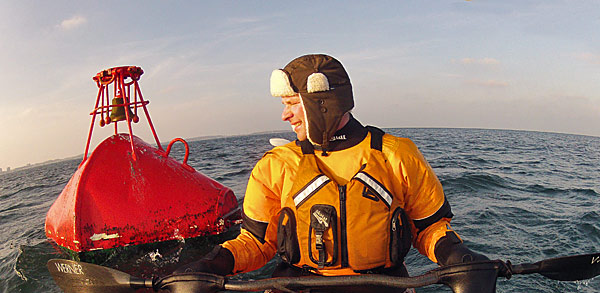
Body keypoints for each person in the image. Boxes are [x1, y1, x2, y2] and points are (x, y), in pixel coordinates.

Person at [180, 54, 487, 278]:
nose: (285, 116)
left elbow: (429, 229)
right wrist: (213, 264)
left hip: (384, 287)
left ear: (321, 103)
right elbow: (256, 242)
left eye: (291, 103)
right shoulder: (276, 165)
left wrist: (455, 255)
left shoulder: (397, 155)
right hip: (297, 288)